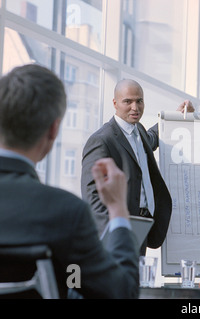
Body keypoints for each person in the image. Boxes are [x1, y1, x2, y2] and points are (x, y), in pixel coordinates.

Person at [0, 64, 138, 299]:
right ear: (54, 129)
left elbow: (72, 277)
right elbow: (120, 292)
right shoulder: (65, 212)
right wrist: (118, 211)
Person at [81, 79, 194, 251]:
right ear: (115, 103)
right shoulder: (102, 140)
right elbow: (92, 196)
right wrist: (116, 231)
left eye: (139, 101)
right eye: (128, 101)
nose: (135, 107)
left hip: (142, 227)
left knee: (138, 277)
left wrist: (177, 117)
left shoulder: (138, 130)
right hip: (117, 234)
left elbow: (152, 138)